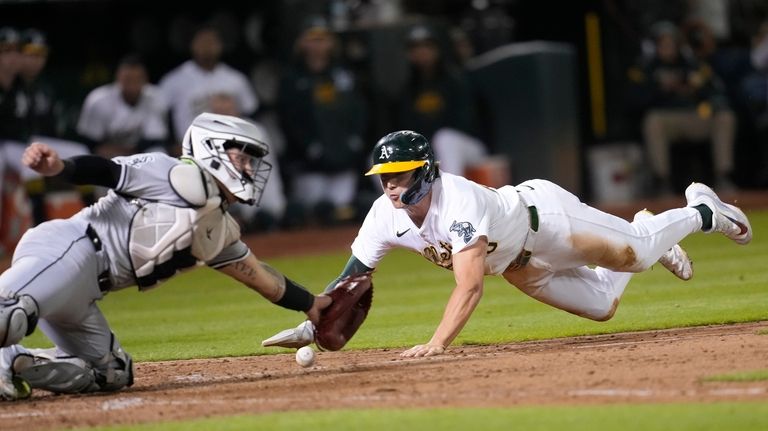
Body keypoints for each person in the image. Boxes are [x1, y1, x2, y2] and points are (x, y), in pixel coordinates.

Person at [263, 130, 751, 357]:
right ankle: (644, 226)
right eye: (384, 177)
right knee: (603, 306)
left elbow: (469, 287)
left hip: (550, 222)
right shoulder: (382, 217)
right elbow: (352, 279)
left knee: (639, 254)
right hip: (520, 266)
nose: (390, 186)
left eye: (399, 174)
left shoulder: (457, 201)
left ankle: (703, 211)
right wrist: (312, 326)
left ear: (426, 171)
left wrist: (436, 344)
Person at [0, 113, 331, 400]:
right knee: (8, 316)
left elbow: (262, 279)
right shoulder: (170, 171)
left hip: (87, 291)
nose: (248, 167)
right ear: (211, 148)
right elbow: (106, 171)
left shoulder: (219, 227)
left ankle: (15, 363)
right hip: (70, 249)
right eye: (242, 157)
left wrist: (311, 304)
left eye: (251, 161)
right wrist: (61, 166)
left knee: (112, 373)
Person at [276, 15, 368, 226]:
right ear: (302, 42)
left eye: (322, 38)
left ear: (331, 42)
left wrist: (353, 143)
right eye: (312, 38)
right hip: (308, 166)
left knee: (342, 210)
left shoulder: (344, 75)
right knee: (316, 209)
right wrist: (309, 147)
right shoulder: (292, 78)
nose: (318, 44)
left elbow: (359, 112)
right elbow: (289, 120)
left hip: (343, 163)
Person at [627, 21, 737, 193]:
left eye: (672, 44)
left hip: (695, 117)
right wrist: (661, 89)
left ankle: (723, 177)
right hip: (667, 119)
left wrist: (695, 89)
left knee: (725, 117)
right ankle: (662, 182)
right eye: (664, 44)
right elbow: (635, 101)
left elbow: (716, 93)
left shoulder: (692, 64)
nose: (668, 48)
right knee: (653, 121)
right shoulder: (646, 68)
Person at [393, 24, 488, 178]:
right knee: (382, 155)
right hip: (429, 152)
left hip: (468, 146)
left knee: (444, 138)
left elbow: (467, 124)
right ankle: (407, 201)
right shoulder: (407, 91)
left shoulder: (457, 80)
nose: (421, 52)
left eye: (427, 46)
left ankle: (450, 199)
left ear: (438, 49)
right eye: (415, 48)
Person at [159, 24, 258, 149]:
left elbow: (249, 113)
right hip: (189, 148)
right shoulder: (174, 80)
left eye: (211, 42)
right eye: (202, 42)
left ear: (220, 46)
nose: (207, 47)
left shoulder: (236, 79)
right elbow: (159, 114)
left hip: (229, 149)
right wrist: (170, 144)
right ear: (192, 45)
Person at [77, 54, 170, 158]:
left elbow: (155, 141)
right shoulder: (98, 99)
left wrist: (131, 153)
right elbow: (90, 143)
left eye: (137, 79)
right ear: (118, 78)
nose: (133, 85)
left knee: (158, 152)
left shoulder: (156, 97)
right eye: (128, 79)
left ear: (146, 79)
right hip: (106, 156)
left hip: (141, 156)